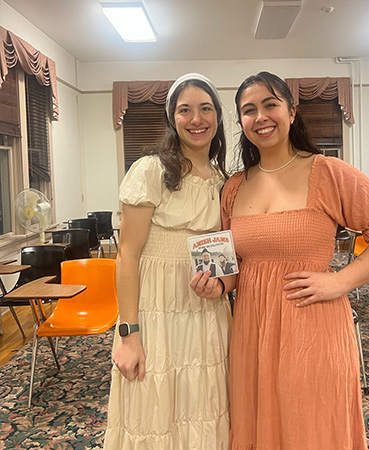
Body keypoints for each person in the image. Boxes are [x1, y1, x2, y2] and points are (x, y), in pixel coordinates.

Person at [190, 71, 369, 449]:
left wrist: (341, 281)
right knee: (257, 425)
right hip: (252, 331)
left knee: (311, 427)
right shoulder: (233, 186)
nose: (260, 117)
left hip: (312, 326)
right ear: (240, 122)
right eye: (248, 110)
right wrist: (218, 284)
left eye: (270, 105)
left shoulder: (329, 172)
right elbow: (234, 267)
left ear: (292, 112)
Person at [103, 73, 231, 449]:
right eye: (185, 110)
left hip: (206, 312)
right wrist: (129, 335)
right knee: (153, 409)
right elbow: (127, 254)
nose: (197, 119)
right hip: (156, 312)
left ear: (218, 118)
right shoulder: (150, 171)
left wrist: (221, 283)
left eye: (206, 109)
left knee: (204, 405)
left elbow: (224, 252)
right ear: (172, 119)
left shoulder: (224, 179)